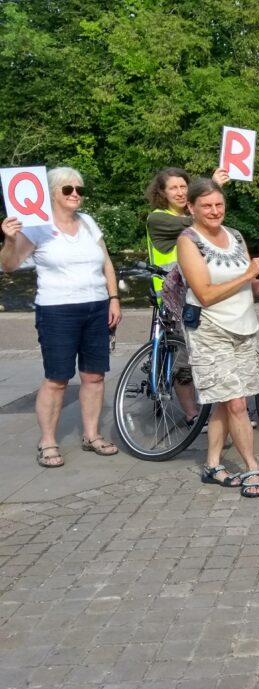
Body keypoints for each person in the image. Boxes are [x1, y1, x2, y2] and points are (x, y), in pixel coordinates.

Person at [1, 167, 122, 468]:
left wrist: (114, 298)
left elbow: (106, 262)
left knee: (94, 375)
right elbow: (9, 266)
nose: (76, 195)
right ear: (52, 192)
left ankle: (91, 435)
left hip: (95, 306)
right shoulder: (35, 227)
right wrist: (8, 239)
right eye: (68, 190)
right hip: (57, 310)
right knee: (57, 378)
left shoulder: (89, 223)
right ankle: (48, 441)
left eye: (80, 190)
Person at [177, 178, 259, 497]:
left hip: (244, 325)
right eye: (206, 206)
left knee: (225, 403)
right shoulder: (188, 240)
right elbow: (204, 293)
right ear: (191, 208)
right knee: (238, 403)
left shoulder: (236, 235)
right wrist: (247, 275)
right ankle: (252, 467)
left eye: (219, 204)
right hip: (210, 329)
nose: (215, 211)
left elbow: (249, 285)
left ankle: (212, 464)